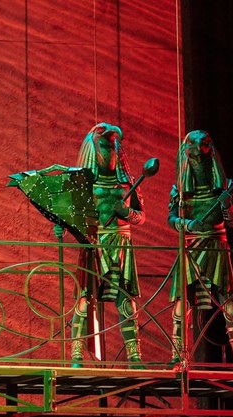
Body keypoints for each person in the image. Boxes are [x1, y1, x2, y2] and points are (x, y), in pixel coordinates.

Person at [168, 130, 233, 366]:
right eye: (194, 157)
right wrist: (188, 224)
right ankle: (178, 357)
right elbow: (172, 219)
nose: (199, 161)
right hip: (191, 247)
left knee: (231, 306)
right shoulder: (179, 191)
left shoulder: (226, 186)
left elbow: (232, 222)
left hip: (216, 247)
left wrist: (227, 206)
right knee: (181, 307)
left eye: (202, 155)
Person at [70, 122, 145, 368]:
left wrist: (127, 213)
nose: (109, 152)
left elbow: (141, 217)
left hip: (121, 243)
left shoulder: (127, 183)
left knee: (126, 301)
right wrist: (63, 224)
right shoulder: (84, 183)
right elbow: (73, 214)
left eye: (112, 147)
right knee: (84, 299)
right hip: (95, 243)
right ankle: (76, 355)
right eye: (104, 146)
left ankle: (135, 357)